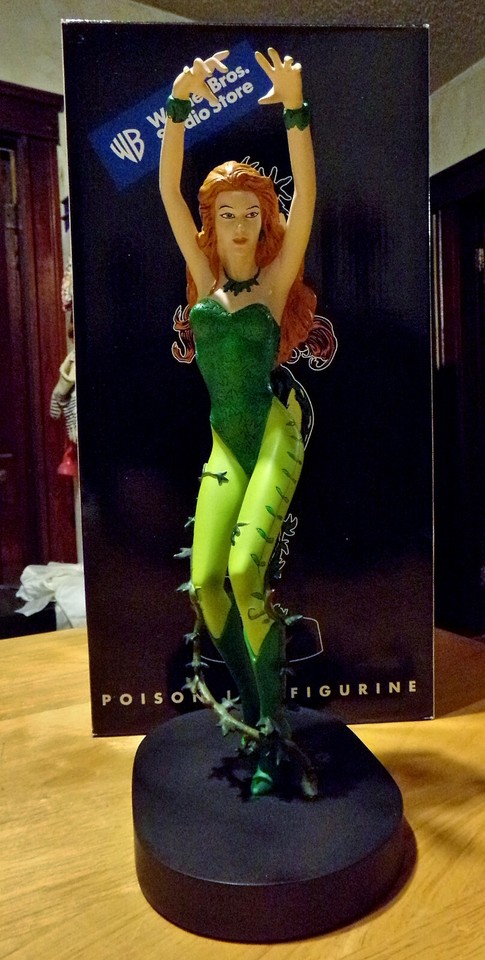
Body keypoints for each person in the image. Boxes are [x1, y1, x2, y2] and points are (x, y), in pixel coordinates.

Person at [160, 47, 318, 795]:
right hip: (227, 443)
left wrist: (295, 107)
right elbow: (167, 186)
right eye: (227, 215)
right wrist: (179, 105)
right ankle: (259, 718)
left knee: (246, 572)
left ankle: (274, 737)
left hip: (274, 434)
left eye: (251, 214)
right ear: (212, 225)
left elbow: (307, 195)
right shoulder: (202, 281)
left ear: (262, 223)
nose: (240, 226)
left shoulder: (274, 283)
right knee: (205, 583)